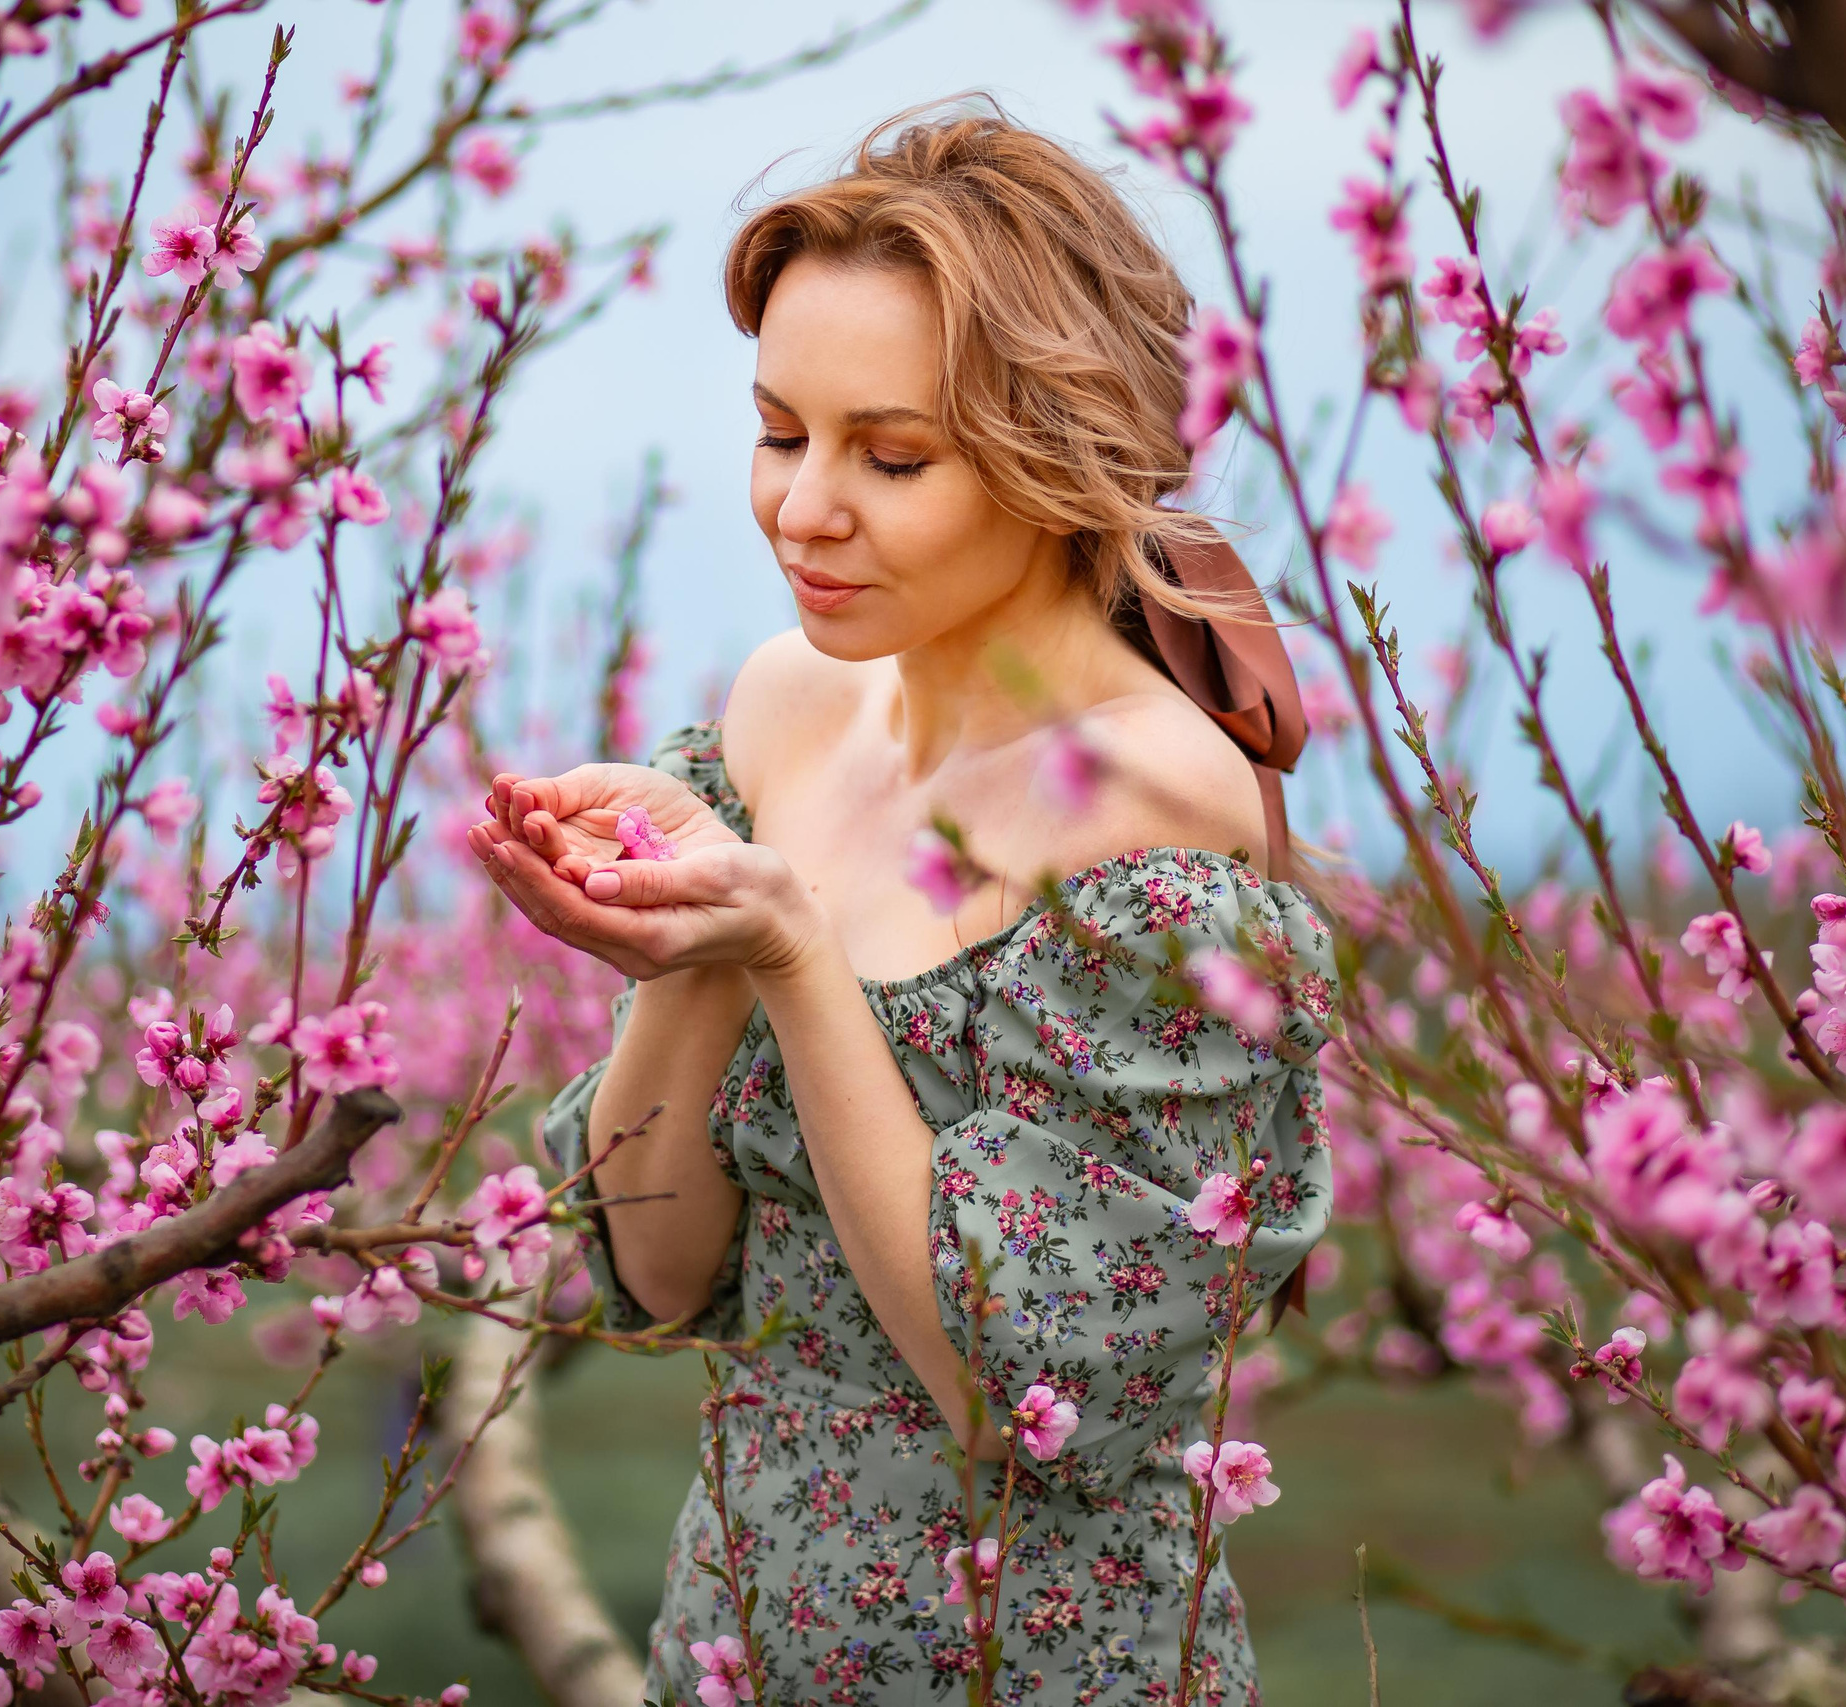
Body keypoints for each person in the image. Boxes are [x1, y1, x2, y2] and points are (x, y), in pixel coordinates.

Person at [465, 101, 1335, 1707]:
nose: (805, 509)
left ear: (1056, 457)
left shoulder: (1147, 809)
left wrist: (792, 954)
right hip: (733, 1647)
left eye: (893, 457)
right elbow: (659, 1269)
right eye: (781, 434)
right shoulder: (788, 708)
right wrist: (692, 940)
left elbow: (1018, 1400)